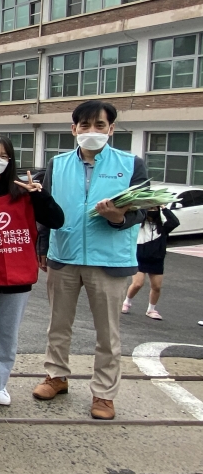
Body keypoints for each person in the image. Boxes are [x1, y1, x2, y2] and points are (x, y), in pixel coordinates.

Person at [34, 100, 148, 420]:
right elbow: (47, 210)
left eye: (100, 125)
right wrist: (43, 244)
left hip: (109, 260)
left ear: (111, 129)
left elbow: (141, 210)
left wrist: (116, 218)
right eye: (85, 126)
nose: (92, 131)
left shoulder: (131, 164)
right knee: (58, 325)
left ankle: (104, 393)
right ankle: (56, 376)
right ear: (74, 130)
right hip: (64, 255)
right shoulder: (57, 164)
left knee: (107, 333)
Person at [0, 135, 64, 407]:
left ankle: (0, 383)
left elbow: (57, 220)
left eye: (3, 156)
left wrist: (41, 195)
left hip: (18, 277)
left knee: (7, 336)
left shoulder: (23, 193)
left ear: (10, 161)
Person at [123, 206, 180, 320]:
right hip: (140, 258)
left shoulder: (163, 228)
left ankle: (151, 309)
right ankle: (126, 302)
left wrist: (164, 208)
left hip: (156, 260)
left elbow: (175, 222)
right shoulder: (138, 225)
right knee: (138, 284)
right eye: (150, 208)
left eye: (155, 208)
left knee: (157, 287)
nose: (152, 211)